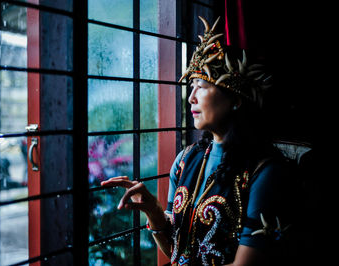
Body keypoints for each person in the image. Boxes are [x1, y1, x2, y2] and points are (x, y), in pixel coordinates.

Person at [101, 16, 295, 265]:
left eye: (201, 85)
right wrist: (153, 210)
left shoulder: (265, 173)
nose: (191, 97)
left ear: (236, 98)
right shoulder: (185, 160)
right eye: (191, 86)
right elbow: (176, 252)